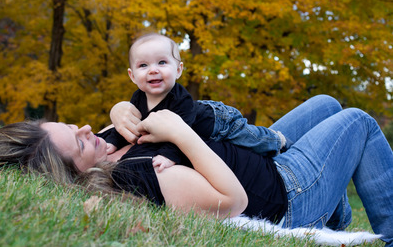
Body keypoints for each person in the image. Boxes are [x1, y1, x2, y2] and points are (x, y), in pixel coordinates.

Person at [0, 95, 393, 247]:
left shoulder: (105, 145)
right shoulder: (138, 175)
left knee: (326, 105)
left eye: (75, 125)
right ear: (74, 172)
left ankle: (337, 216)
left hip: (257, 156)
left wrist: (121, 109)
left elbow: (134, 106)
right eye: (80, 141)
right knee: (357, 122)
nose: (88, 130)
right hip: (287, 191)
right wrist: (180, 132)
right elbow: (233, 202)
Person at [104, 32, 289, 171]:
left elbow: (182, 133)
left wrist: (169, 156)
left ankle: (275, 139)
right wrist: (112, 142)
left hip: (218, 121)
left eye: (161, 63)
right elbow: (127, 127)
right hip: (199, 120)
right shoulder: (137, 98)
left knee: (250, 139)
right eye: (143, 65)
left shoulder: (180, 99)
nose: (153, 70)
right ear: (132, 75)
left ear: (178, 70)